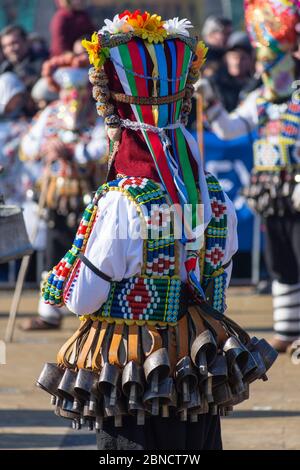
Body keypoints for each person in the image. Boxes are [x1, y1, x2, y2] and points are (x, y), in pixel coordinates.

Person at [36, 11, 277, 450]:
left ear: (120, 119)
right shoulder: (213, 197)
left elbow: (82, 297)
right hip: (202, 362)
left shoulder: (122, 202)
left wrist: (58, 282)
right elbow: (215, 278)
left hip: (135, 369)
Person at [196, 0, 300, 353]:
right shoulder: (258, 100)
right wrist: (209, 102)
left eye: (269, 59)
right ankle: (286, 330)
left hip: (297, 185)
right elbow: (228, 130)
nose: (263, 66)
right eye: (262, 60)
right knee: (280, 259)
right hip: (271, 190)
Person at [20, 52, 107, 331]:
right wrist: (49, 147)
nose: (74, 97)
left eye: (79, 91)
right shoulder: (49, 114)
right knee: (54, 254)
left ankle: (95, 309)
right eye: (69, 91)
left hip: (88, 194)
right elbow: (29, 146)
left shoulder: (97, 116)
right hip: (54, 194)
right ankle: (49, 312)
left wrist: (72, 151)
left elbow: (102, 148)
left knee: (94, 252)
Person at [0, 72, 31, 205]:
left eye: (19, 97)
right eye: (14, 97)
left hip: (16, 178)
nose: (17, 101)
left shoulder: (21, 119)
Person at [210, 31, 254, 112]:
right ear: (226, 59)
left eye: (243, 58)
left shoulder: (255, 85)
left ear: (251, 60)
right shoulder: (214, 84)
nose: (237, 62)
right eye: (234, 57)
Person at [0, 25, 44, 91]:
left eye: (14, 43)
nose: (10, 49)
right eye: (5, 46)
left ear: (27, 42)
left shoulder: (41, 64)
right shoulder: (5, 68)